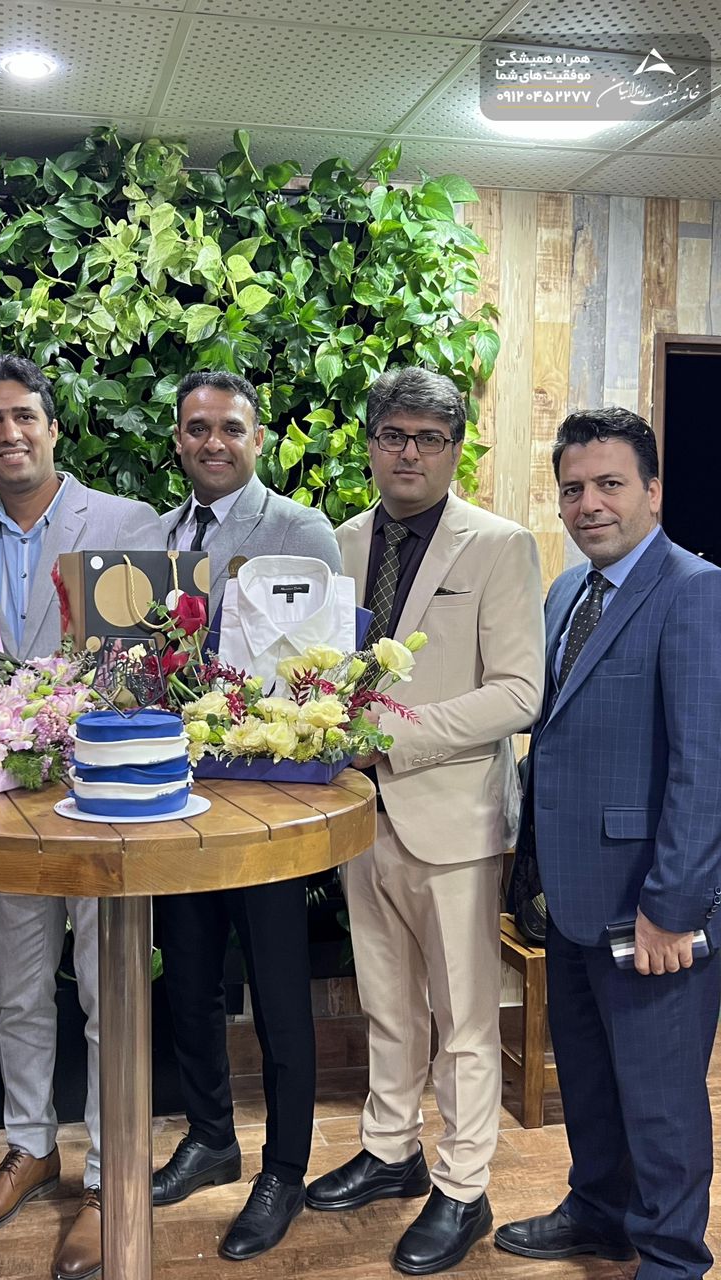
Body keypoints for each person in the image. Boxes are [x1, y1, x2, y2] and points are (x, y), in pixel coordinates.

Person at [307, 366, 544, 1275]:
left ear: (453, 450)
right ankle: (390, 1150)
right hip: (360, 817)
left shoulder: (500, 545)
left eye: (429, 439)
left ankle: (464, 1187)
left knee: (465, 1019)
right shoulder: (338, 542)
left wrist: (390, 740)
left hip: (454, 819)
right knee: (387, 1002)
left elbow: (518, 693)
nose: (409, 452)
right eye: (394, 435)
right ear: (371, 443)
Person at [0, 354, 164, 1280]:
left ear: (54, 426)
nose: (10, 433)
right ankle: (30, 1147)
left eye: (24, 415)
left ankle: (109, 1178)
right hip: (1, 807)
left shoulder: (126, 524)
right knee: (18, 987)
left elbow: (150, 664)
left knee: (108, 990)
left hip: (101, 797)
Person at [496, 408, 721, 1280]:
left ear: (653, 492)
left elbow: (705, 766)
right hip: (569, 894)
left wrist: (673, 907)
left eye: (610, 485)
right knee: (589, 1080)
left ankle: (670, 1257)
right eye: (573, 489)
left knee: (660, 1100)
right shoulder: (566, 593)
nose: (588, 504)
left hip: (649, 903)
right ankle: (599, 1212)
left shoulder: (695, 590)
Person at [153, 371, 341, 1262]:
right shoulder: (159, 539)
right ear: (179, 441)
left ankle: (285, 1171)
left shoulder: (301, 531)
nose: (213, 442)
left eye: (230, 427)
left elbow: (326, 669)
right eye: (197, 428)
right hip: (177, 802)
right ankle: (210, 1138)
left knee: (277, 995)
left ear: (258, 439)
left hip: (269, 810)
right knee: (187, 980)